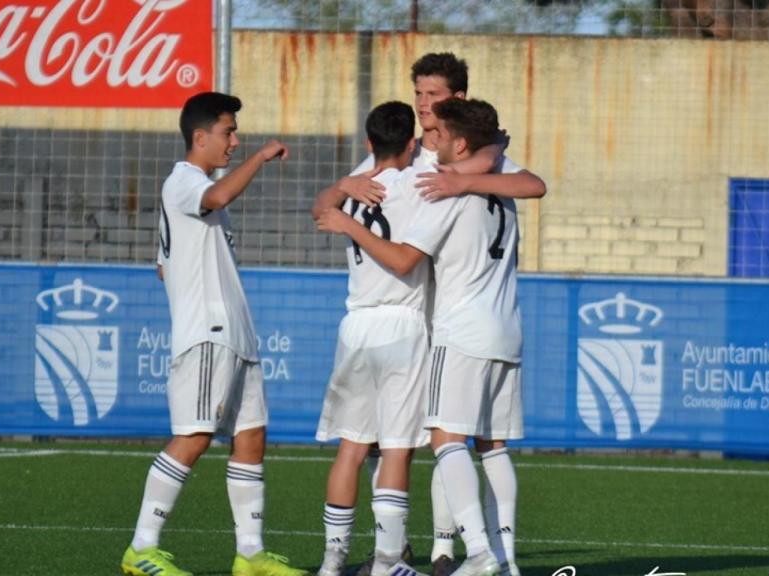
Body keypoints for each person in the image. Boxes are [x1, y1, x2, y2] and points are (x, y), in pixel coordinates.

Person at [315, 98, 545, 576]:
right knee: (488, 445)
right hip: (497, 325)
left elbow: (397, 255)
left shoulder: (436, 188)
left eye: (437, 132)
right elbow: (532, 182)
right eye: (423, 128)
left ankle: (464, 552)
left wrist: (342, 209)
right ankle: (495, 557)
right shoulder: (495, 182)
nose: (428, 138)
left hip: (413, 325)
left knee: (421, 441)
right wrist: (490, 150)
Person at [122, 91, 306, 576]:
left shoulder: (193, 193)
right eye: (228, 132)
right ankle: (141, 547)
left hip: (235, 333)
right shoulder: (184, 181)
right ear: (199, 137)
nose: (234, 141)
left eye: (236, 134)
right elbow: (218, 195)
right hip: (208, 332)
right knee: (194, 436)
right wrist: (261, 157)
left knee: (251, 437)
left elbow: (165, 267)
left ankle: (250, 555)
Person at [311, 101, 433, 576]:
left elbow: (319, 210)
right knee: (397, 447)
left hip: (356, 325)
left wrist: (344, 204)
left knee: (353, 445)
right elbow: (404, 261)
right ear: (411, 144)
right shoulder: (419, 187)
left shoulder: (358, 185)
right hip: (400, 323)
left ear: (368, 145)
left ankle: (331, 561)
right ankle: (387, 561)